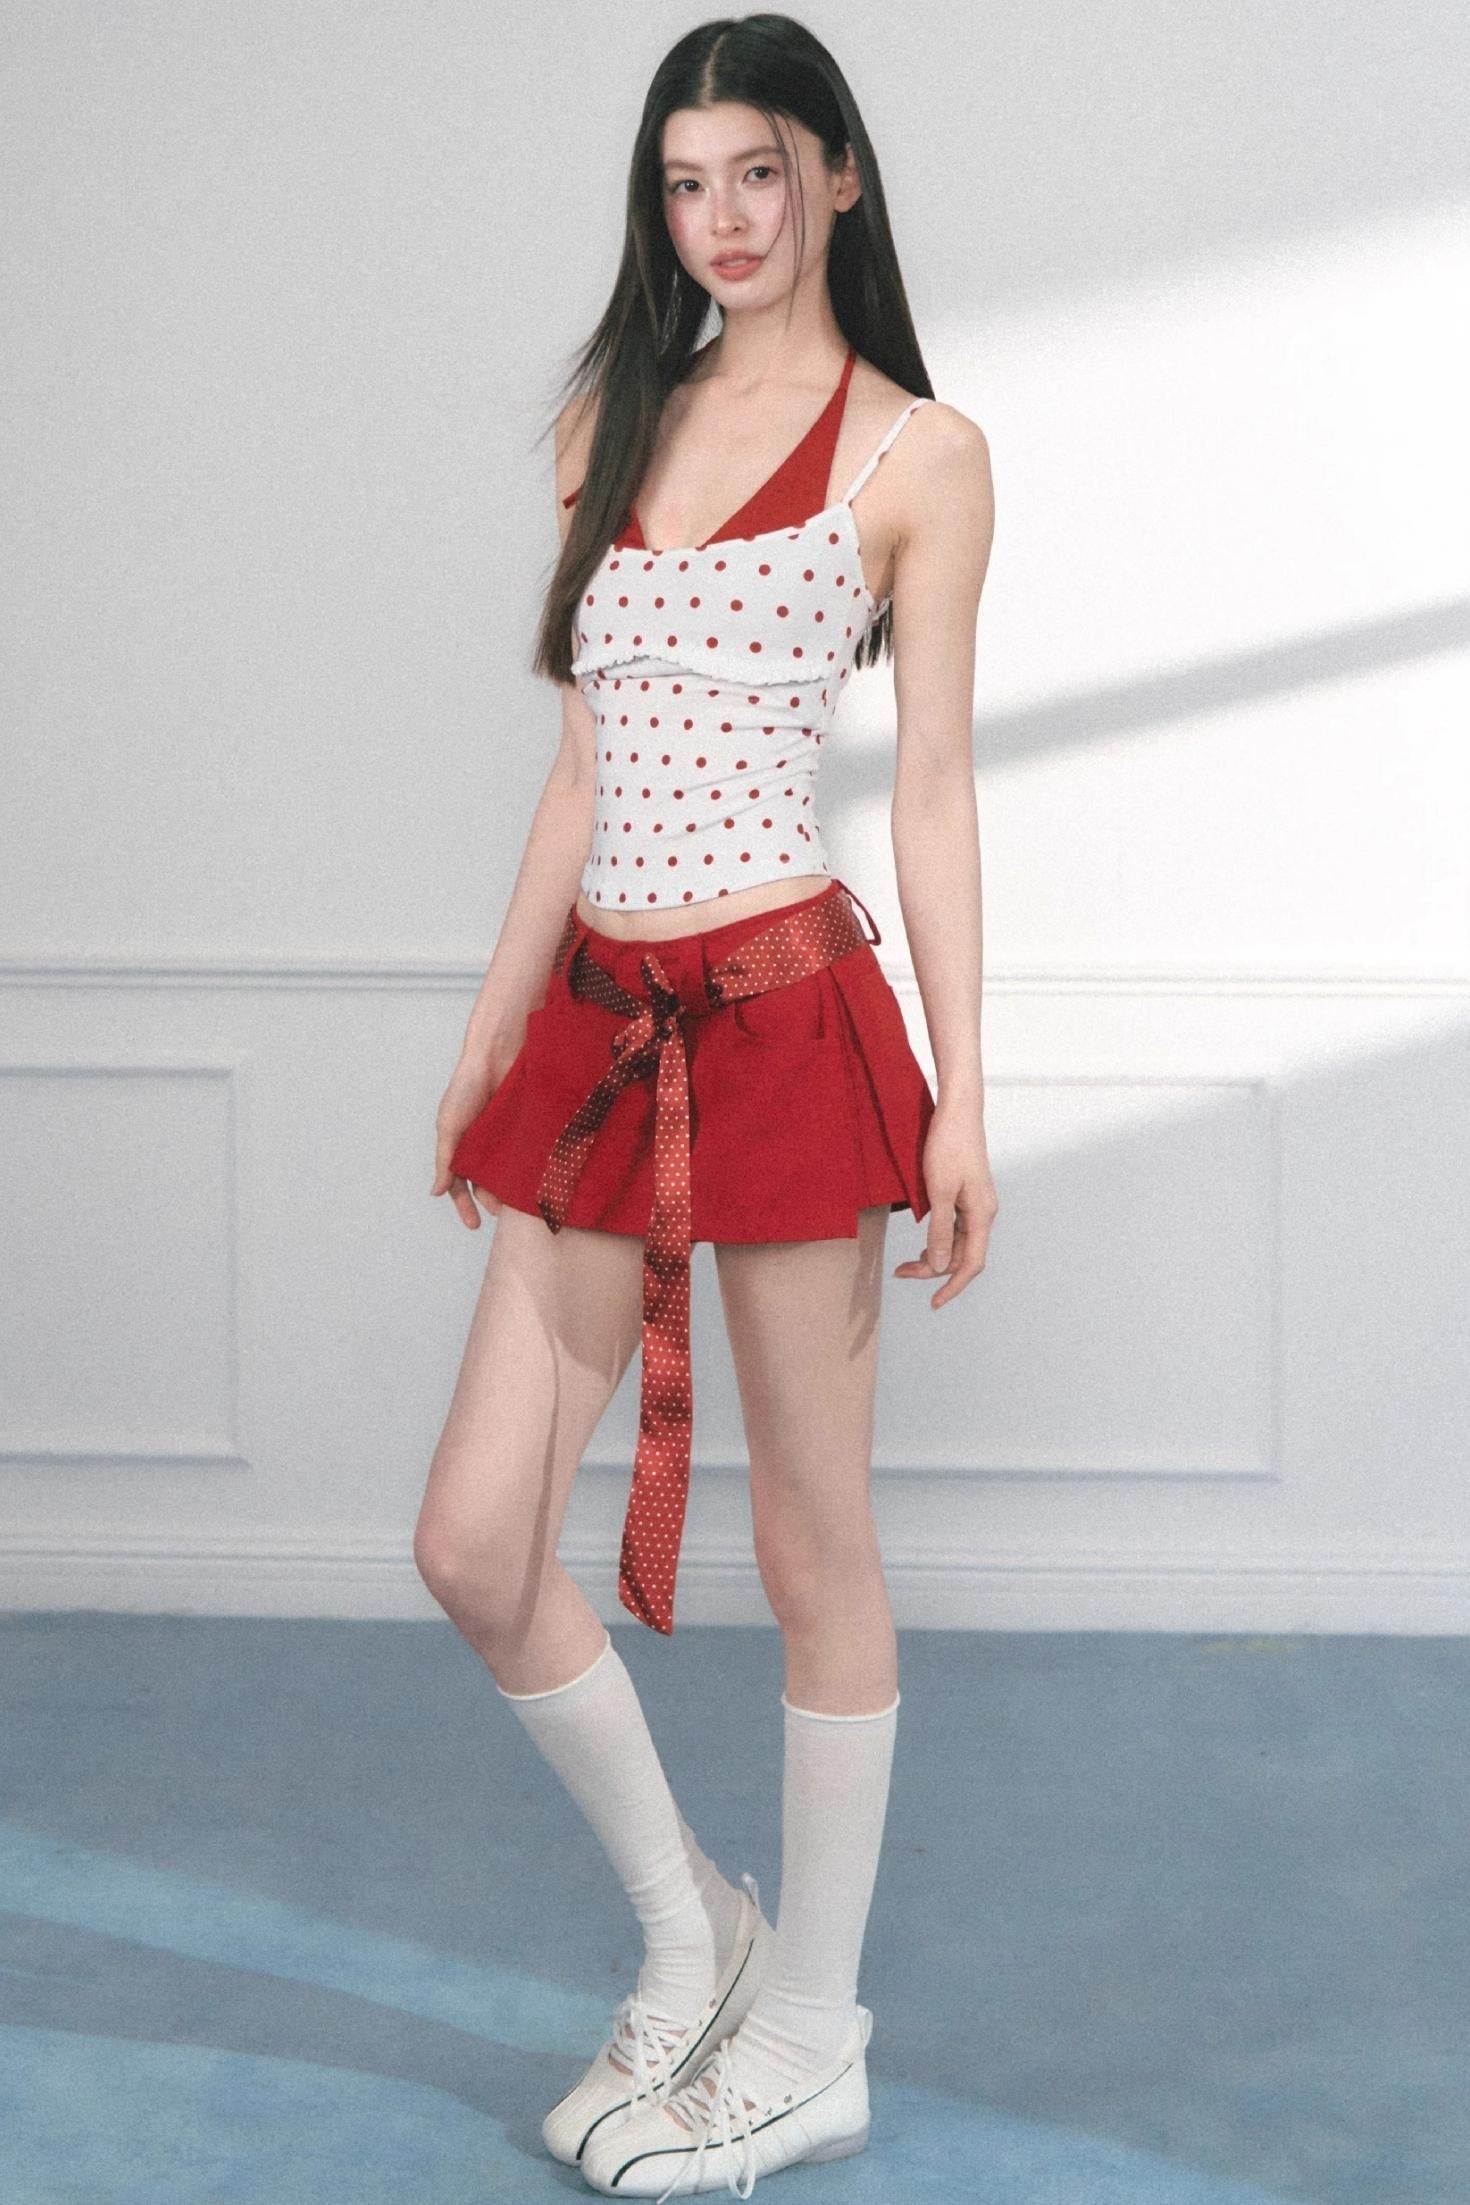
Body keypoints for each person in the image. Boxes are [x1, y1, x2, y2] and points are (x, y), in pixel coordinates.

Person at [416, 14, 996, 2195]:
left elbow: (926, 791)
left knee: (808, 1541)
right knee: (474, 1539)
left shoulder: (920, 454)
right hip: (598, 1034)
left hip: (781, 1019)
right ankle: (696, 1939)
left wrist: (962, 1091)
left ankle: (815, 2034)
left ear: (837, 176)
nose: (721, 219)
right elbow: (581, 772)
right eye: (684, 183)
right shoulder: (607, 420)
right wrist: (490, 1031)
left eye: (758, 171)